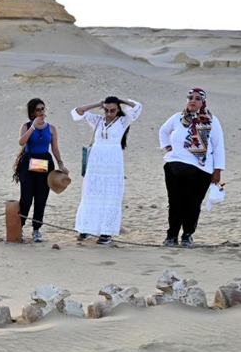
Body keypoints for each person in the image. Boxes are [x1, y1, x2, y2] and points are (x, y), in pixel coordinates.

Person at [159, 88, 225, 247]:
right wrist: (168, 147)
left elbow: (218, 146)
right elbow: (163, 131)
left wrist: (218, 170)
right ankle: (171, 235)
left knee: (193, 204)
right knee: (175, 203)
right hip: (174, 166)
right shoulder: (177, 118)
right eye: (190, 98)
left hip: (201, 169)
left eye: (197, 98)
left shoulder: (211, 121)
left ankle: (187, 235)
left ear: (203, 103)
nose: (192, 101)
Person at [72, 96, 143, 245]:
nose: (109, 113)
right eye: (106, 110)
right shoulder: (97, 120)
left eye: (113, 110)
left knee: (110, 194)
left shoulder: (123, 121)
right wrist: (98, 103)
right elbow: (78, 111)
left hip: (113, 161)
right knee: (92, 192)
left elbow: (137, 107)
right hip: (96, 160)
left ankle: (106, 232)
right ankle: (86, 228)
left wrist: (122, 101)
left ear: (118, 109)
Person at [14, 98, 69, 243]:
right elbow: (21, 142)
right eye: (37, 110)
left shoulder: (51, 128)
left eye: (43, 109)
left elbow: (55, 148)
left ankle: (36, 229)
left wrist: (61, 164)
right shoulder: (26, 126)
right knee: (26, 197)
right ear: (32, 112)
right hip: (28, 162)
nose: (41, 112)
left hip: (44, 162)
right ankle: (20, 226)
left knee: (41, 198)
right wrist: (33, 127)